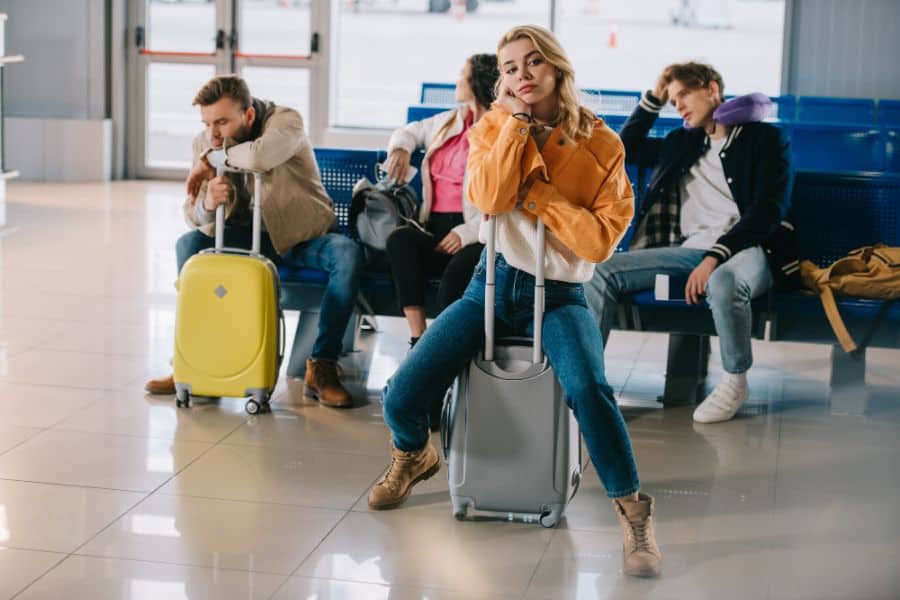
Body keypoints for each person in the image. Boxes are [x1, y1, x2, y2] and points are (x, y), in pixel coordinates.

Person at [366, 25, 662, 578]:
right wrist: (516, 129)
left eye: (531, 64)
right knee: (402, 397)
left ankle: (634, 513)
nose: (521, 76)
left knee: (590, 390)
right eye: (508, 68)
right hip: (492, 283)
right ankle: (413, 455)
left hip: (561, 296)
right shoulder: (495, 126)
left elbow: (597, 240)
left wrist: (543, 197)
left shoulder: (602, 143)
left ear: (556, 69)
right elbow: (489, 199)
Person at [585, 62, 796, 424]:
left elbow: (767, 211)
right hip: (687, 251)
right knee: (598, 272)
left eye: (684, 94)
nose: (678, 105)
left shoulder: (764, 140)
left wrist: (716, 256)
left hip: (746, 250)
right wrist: (652, 98)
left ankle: (735, 379)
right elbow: (618, 153)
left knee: (724, 281)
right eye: (672, 99)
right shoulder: (680, 142)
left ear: (712, 89)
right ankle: (587, 383)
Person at [144, 75, 363, 408]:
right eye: (207, 124)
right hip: (248, 238)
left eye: (222, 122)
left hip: (300, 237)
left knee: (346, 256)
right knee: (188, 247)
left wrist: (210, 161)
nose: (213, 133)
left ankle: (322, 365)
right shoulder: (204, 142)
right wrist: (207, 204)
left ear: (247, 115)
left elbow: (261, 157)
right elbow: (193, 213)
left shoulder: (285, 121)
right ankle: (193, 363)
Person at [382, 53, 498, 350]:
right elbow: (409, 131)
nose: (457, 79)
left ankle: (442, 349)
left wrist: (466, 233)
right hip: (434, 228)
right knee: (400, 241)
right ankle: (419, 342)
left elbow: (504, 200)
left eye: (463, 73)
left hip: (476, 235)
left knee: (456, 273)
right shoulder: (451, 121)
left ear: (477, 82)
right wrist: (401, 149)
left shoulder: (501, 130)